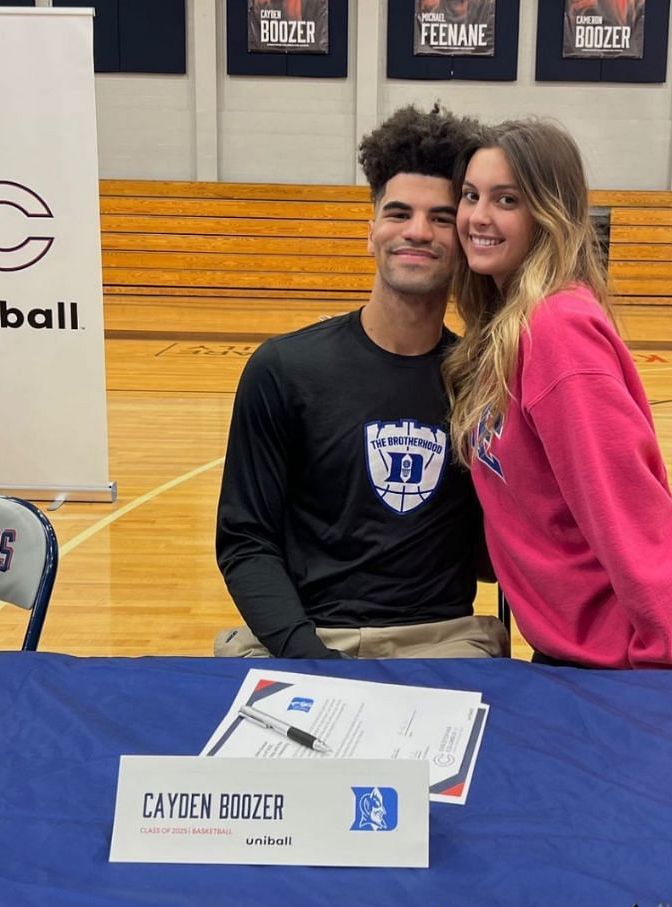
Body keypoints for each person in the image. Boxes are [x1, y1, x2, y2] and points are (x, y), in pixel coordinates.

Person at [215, 104, 509, 661]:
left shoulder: (483, 381)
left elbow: (496, 553)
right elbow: (245, 541)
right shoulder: (283, 369)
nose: (417, 232)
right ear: (370, 230)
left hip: (443, 641)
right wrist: (308, 658)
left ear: (466, 241)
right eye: (399, 213)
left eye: (442, 218)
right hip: (305, 636)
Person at [443, 118, 672, 669]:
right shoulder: (505, 327)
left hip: (631, 652)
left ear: (548, 213)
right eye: (471, 196)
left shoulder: (556, 331)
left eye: (506, 200)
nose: (478, 217)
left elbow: (628, 511)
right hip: (574, 643)